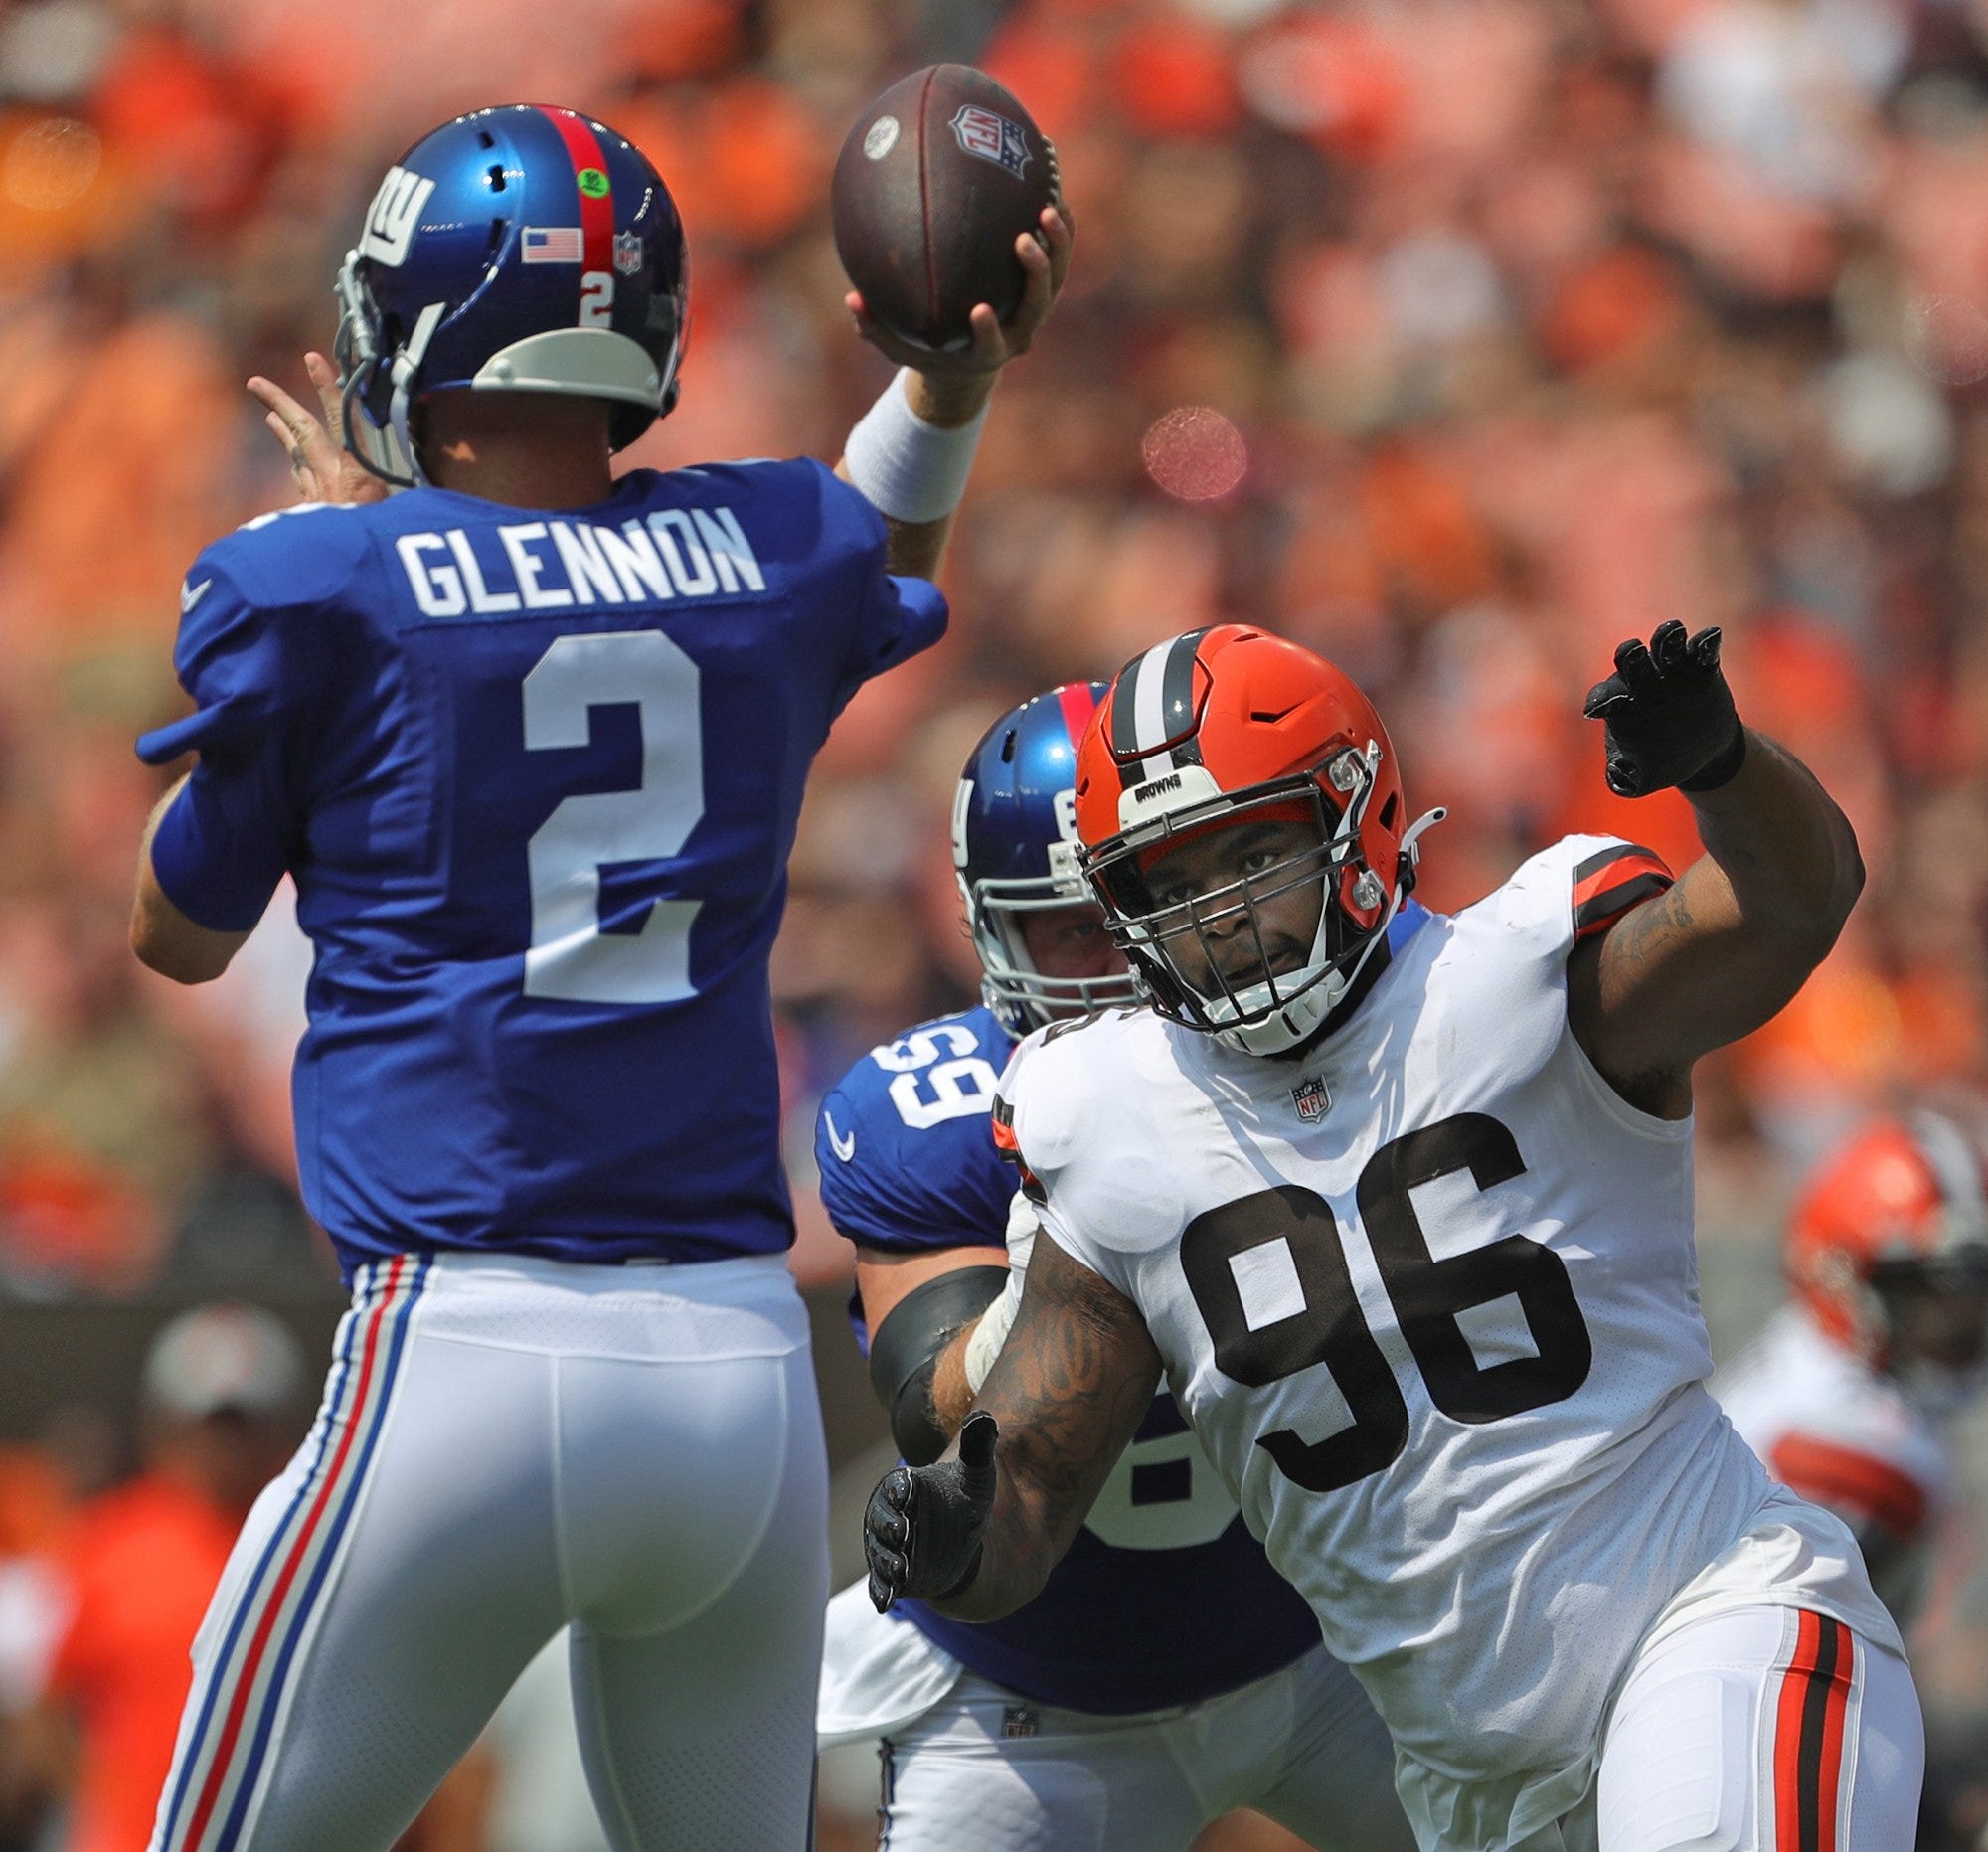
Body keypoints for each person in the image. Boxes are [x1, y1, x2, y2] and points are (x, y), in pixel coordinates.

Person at [127, 101, 1069, 1851]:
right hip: (738, 1378)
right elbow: (876, 546)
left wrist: (333, 656)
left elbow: (175, 935)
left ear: (412, 326)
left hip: (459, 1352)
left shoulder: (325, 581)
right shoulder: (771, 545)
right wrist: (946, 378)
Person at [864, 620, 1925, 1852]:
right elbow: (1028, 1499)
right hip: (1467, 1785)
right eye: (1172, 881)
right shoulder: (1105, 1118)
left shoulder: (1518, 976)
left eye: (1250, 851)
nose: (1219, 915)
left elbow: (1795, 903)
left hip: (1708, 1627)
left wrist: (1723, 764)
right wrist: (952, 1532)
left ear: (1354, 814)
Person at [815, 684, 1413, 1851]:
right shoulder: (926, 1117)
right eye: (1075, 929)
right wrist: (1077, 1215)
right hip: (1030, 1705)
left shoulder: (1330, 1052)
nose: (1123, 960)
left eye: (1139, 904)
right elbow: (937, 1412)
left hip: (1332, 1645)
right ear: (994, 934)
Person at [34, 1308, 306, 1852]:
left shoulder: (309, 1540)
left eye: (244, 1427)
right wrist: (104, 1803)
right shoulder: (106, 1542)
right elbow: (47, 1707)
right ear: (162, 1427)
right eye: (208, 1426)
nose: (225, 1448)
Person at [1716, 1108, 1988, 1630]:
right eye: (1923, 1293)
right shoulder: (1862, 1449)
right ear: (1842, 1276)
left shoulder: (1805, 1353)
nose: (1955, 1326)